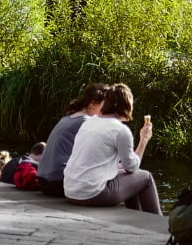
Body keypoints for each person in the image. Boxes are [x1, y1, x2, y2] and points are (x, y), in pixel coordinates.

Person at [63, 83, 160, 213]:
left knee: (130, 177)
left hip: (71, 191)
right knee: (146, 177)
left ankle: (136, 217)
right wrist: (144, 140)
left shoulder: (89, 122)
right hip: (91, 194)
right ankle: (158, 225)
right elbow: (132, 167)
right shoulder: (120, 130)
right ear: (127, 105)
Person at [37, 84, 108, 199]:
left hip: (44, 181)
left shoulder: (67, 118)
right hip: (60, 183)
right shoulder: (88, 122)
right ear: (93, 103)